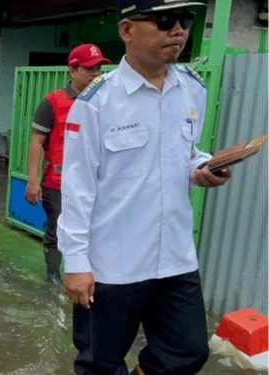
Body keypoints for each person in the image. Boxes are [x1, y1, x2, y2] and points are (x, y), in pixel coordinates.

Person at [58, 1, 232, 374]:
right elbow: (77, 189)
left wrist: (201, 167)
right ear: (126, 30)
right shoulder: (96, 102)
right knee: (99, 364)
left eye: (185, 21)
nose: (179, 30)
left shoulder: (191, 88)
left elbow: (184, 153)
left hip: (174, 257)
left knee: (187, 352)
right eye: (165, 20)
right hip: (112, 265)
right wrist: (75, 264)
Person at [25, 44, 110, 285]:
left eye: (99, 69)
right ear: (72, 71)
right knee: (59, 231)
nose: (96, 74)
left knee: (96, 230)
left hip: (97, 182)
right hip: (58, 184)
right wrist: (32, 181)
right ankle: (53, 275)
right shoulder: (52, 102)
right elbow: (36, 143)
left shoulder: (106, 102)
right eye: (89, 69)